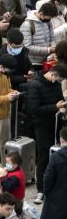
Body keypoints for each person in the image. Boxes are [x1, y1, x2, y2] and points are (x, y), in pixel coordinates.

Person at [27, 63, 67, 204]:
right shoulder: (34, 85)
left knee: (57, 154)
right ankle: (41, 190)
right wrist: (55, 107)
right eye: (57, 79)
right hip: (41, 125)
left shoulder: (55, 84)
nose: (57, 82)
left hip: (56, 123)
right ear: (53, 74)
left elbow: (59, 99)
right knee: (44, 156)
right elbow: (34, 109)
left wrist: (62, 106)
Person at [40, 126, 67, 219]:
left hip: (56, 200)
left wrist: (47, 192)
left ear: (61, 139)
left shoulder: (56, 157)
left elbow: (47, 179)